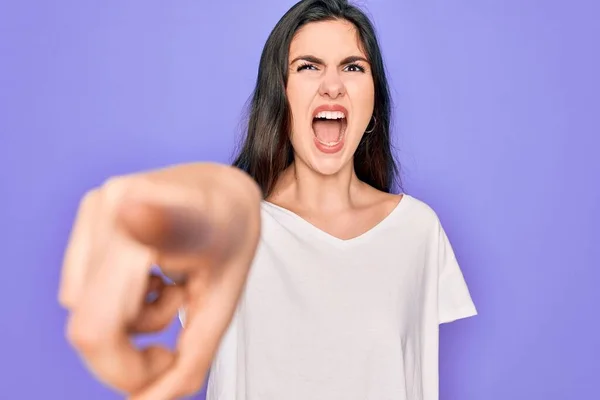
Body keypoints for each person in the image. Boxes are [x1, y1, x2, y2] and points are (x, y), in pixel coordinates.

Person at [58, 0, 478, 399]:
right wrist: (157, 206)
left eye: (352, 67)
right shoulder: (235, 233)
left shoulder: (416, 230)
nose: (332, 85)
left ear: (374, 98)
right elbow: (204, 218)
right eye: (308, 67)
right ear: (281, 94)